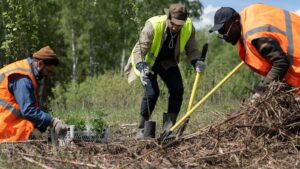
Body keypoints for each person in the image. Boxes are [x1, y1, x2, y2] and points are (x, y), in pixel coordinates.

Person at [124, 3, 205, 138]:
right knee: (152, 93)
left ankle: (168, 130)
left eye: (179, 25)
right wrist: (141, 68)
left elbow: (192, 50)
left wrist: (197, 62)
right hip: (148, 64)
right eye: (173, 23)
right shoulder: (153, 25)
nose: (175, 27)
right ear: (168, 17)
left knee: (177, 90)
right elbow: (139, 50)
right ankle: (142, 130)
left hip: (168, 63)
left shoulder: (189, 28)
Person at [209, 4, 300, 99]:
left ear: (236, 21)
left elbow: (280, 63)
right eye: (221, 34)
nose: (225, 37)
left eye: (225, 31)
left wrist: (261, 91)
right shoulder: (249, 16)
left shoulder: (255, 35)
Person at [0, 46, 68, 142]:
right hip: (5, 132)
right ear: (40, 64)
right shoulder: (23, 78)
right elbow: (28, 111)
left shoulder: (24, 72)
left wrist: (42, 127)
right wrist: (52, 121)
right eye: (48, 71)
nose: (48, 75)